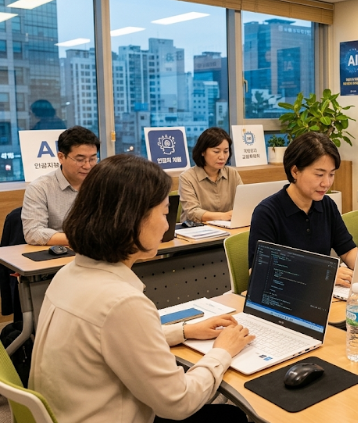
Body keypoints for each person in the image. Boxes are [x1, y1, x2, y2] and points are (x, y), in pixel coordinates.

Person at [29, 154, 254, 423]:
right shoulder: (122, 303)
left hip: (72, 413)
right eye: (162, 212)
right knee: (232, 417)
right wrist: (223, 351)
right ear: (131, 219)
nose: (166, 224)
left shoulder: (68, 274)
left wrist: (184, 331)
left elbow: (114, 337)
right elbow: (179, 402)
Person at [248, 132, 357, 288]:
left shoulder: (327, 205)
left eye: (331, 174)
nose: (326, 183)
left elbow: (347, 251)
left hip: (321, 292)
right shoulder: (267, 212)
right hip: (286, 296)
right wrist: (321, 273)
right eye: (319, 174)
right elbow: (259, 271)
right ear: (295, 172)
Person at [21, 126, 100, 246]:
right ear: (61, 157)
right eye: (80, 159)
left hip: (100, 254)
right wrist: (83, 239)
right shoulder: (40, 188)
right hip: (60, 256)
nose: (87, 166)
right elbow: (33, 233)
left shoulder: (103, 184)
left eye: (93, 159)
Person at [179, 127, 243, 223]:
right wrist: (224, 216)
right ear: (203, 152)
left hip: (229, 228)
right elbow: (192, 212)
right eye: (216, 151)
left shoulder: (232, 174)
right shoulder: (187, 177)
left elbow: (243, 204)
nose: (222, 157)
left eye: (226, 151)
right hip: (197, 231)